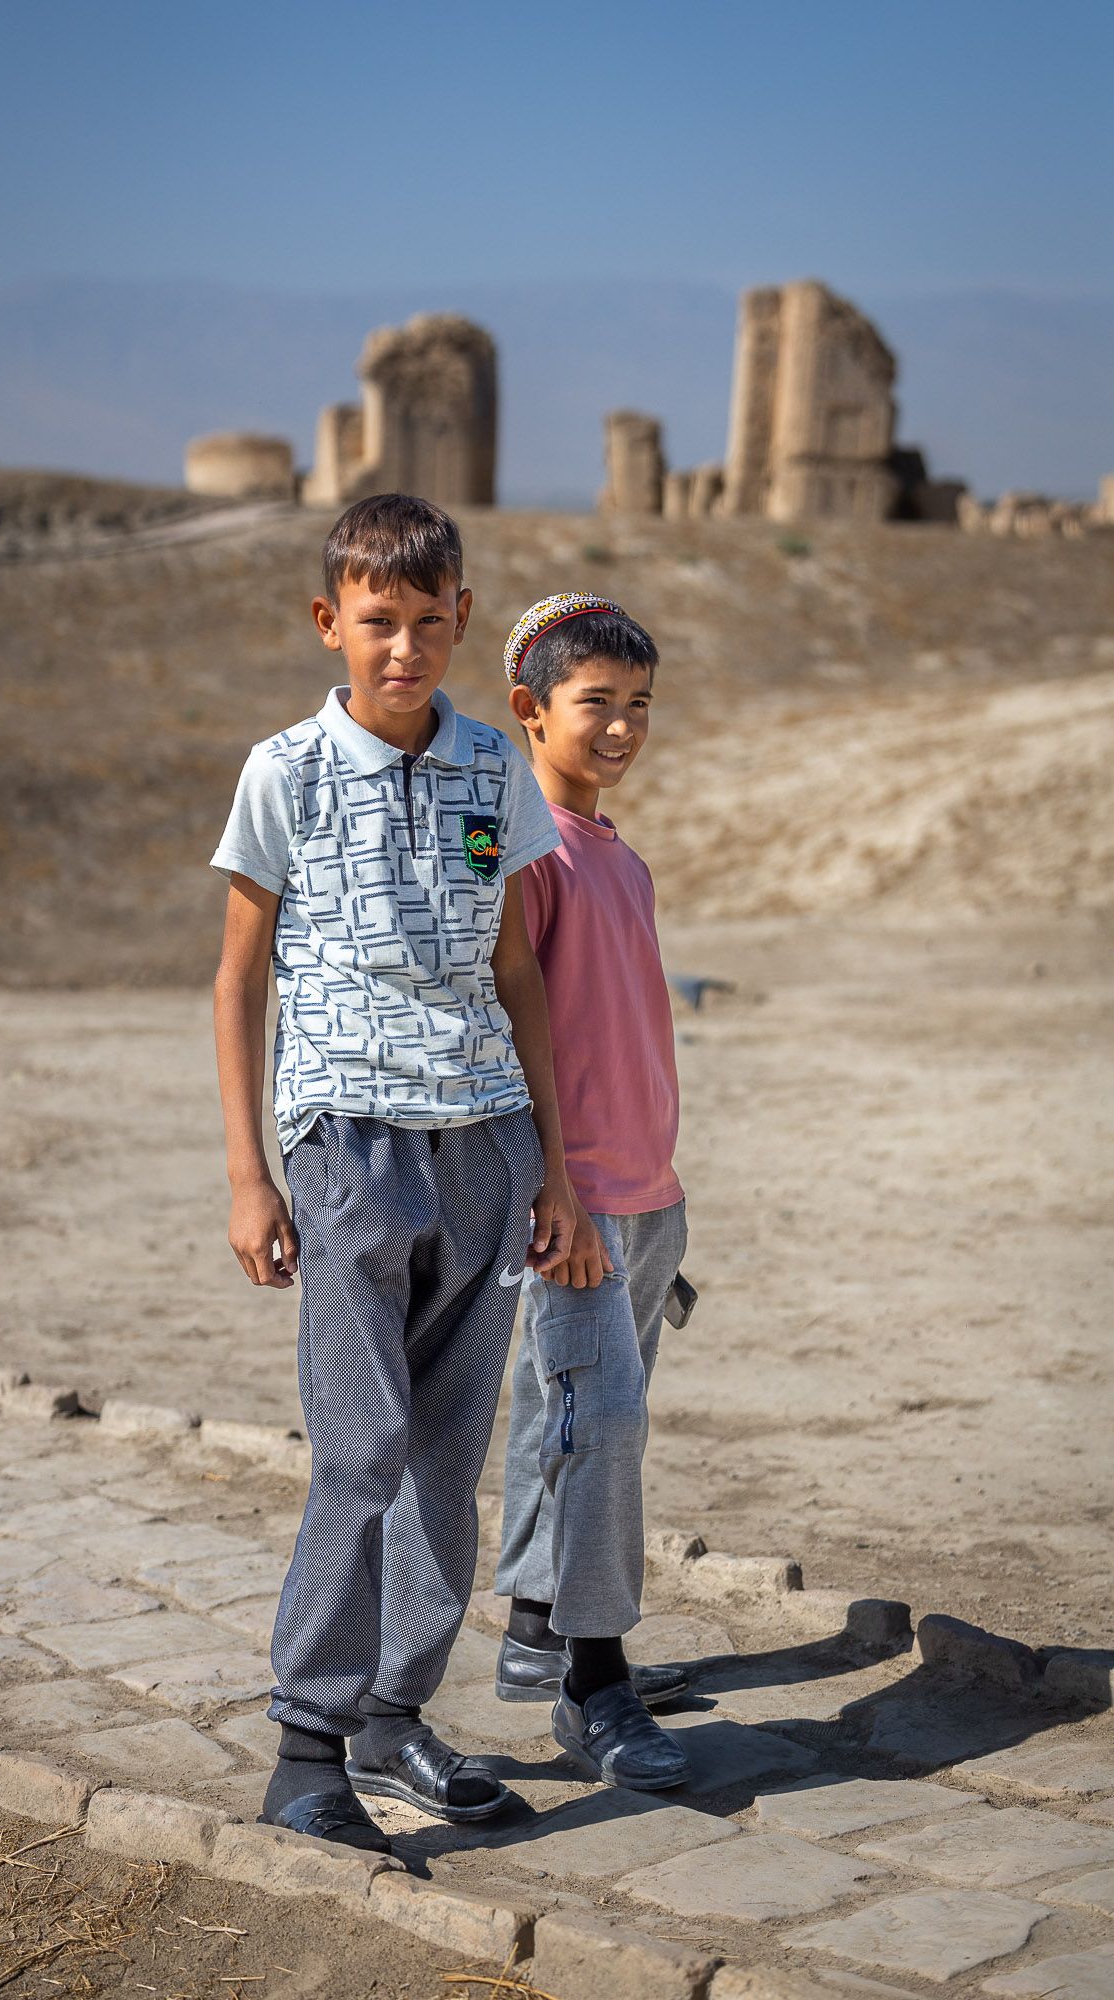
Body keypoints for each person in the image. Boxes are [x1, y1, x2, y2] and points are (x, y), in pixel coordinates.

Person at [210, 497, 578, 1851]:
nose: (405, 648)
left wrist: (555, 1167)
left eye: (431, 622)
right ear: (331, 624)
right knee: (358, 1448)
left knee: (443, 1458)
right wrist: (253, 1175)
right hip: (347, 1143)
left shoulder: (497, 771)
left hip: (485, 1142)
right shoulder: (286, 772)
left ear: (464, 621)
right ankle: (305, 1749)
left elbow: (517, 970)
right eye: (379, 622)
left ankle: (393, 1718)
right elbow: (237, 979)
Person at [493, 591, 694, 1792]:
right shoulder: (523, 851)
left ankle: (535, 1619)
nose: (619, 726)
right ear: (530, 709)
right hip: (572, 1203)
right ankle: (594, 1680)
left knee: (567, 1418)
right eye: (594, 703)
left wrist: (658, 1199)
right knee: (598, 1429)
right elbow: (509, 1026)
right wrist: (551, 1191)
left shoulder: (625, 858)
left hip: (648, 1198)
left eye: (638, 706)